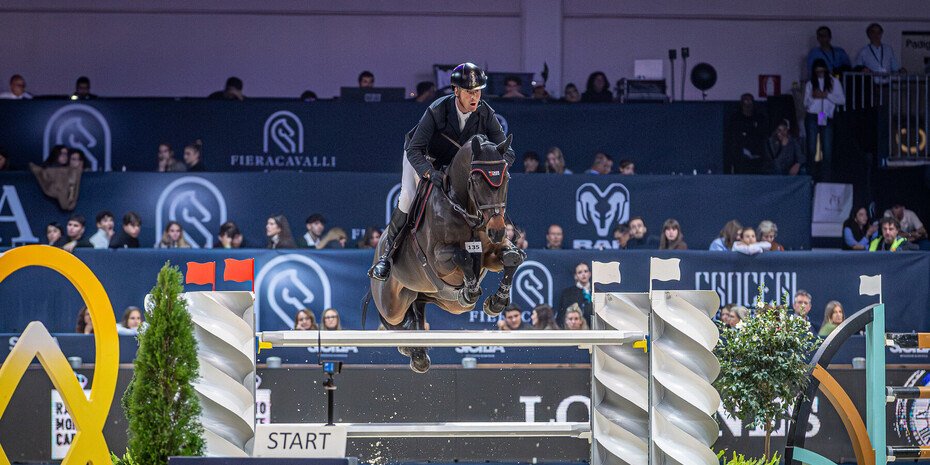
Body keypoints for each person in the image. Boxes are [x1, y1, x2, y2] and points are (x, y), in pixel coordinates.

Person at [369, 63, 515, 281]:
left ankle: (500, 245)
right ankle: (387, 256)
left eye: (478, 91)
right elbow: (414, 150)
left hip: (460, 169)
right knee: (407, 197)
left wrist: (493, 166)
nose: (474, 97)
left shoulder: (485, 112)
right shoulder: (437, 110)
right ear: (456, 91)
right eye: (469, 92)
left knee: (485, 195)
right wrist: (429, 173)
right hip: (426, 159)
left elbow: (508, 152)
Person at [804, 59, 845, 181]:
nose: (820, 75)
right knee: (812, 147)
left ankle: (826, 179)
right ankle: (811, 178)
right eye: (817, 72)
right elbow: (805, 103)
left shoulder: (834, 82)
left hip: (826, 115)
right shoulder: (810, 83)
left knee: (827, 149)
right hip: (813, 115)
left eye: (822, 72)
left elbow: (842, 100)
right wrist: (813, 97)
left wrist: (827, 95)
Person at [726, 93, 768, 174]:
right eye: (745, 101)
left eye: (750, 101)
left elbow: (763, 138)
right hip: (741, 160)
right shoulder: (736, 119)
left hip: (757, 160)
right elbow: (732, 141)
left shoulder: (760, 118)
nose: (748, 104)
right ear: (741, 103)